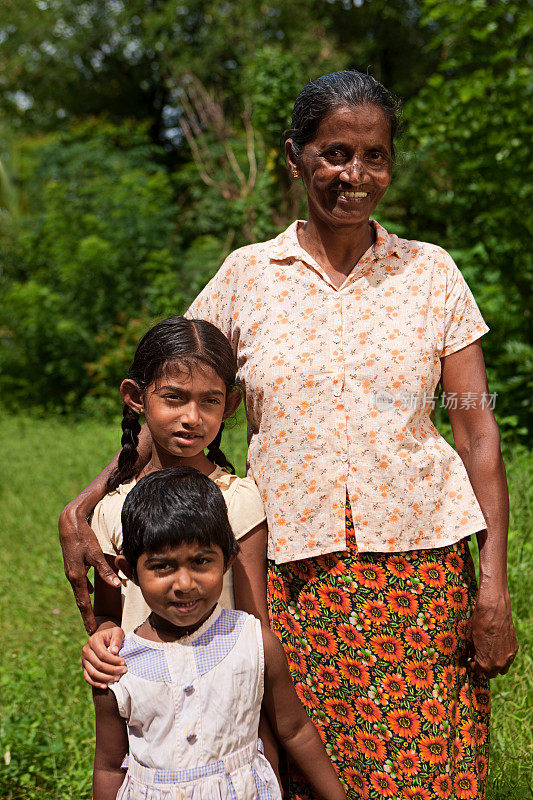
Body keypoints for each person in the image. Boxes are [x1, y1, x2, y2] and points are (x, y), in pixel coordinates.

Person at [61, 71, 518, 800]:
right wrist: (87, 503)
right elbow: (177, 404)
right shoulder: (247, 276)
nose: (354, 175)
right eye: (335, 153)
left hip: (421, 572)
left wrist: (491, 588)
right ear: (295, 155)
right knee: (297, 763)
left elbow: (476, 431)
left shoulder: (431, 273)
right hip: (288, 574)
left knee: (432, 766)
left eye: (374, 156)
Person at [92, 466, 347, 800]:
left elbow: (295, 730)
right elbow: (110, 767)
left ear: (227, 561)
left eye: (201, 561)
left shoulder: (254, 642)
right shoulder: (116, 666)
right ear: (130, 572)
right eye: (162, 566)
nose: (184, 584)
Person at [82, 315, 270, 686]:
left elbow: (254, 622)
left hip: (227, 694)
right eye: (174, 397)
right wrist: (100, 640)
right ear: (136, 397)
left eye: (209, 401)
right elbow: (108, 613)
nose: (191, 418)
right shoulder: (110, 510)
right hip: (147, 707)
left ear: (229, 406)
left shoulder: (238, 500)